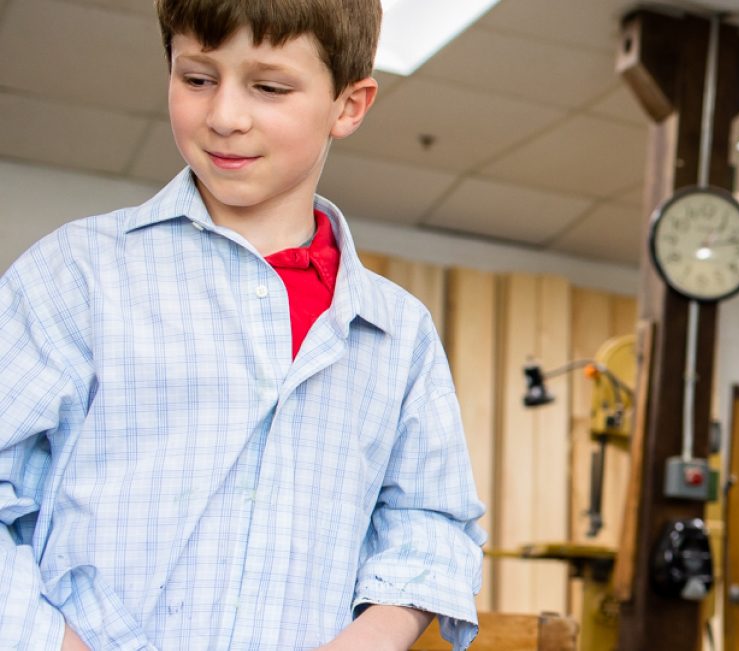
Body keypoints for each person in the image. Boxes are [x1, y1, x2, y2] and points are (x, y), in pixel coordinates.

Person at [0, 1, 486, 649]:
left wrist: (376, 633)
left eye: (269, 87)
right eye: (196, 78)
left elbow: (431, 518)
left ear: (350, 104)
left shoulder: (399, 334)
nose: (224, 115)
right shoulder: (77, 275)